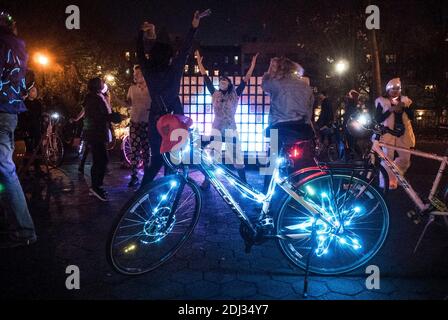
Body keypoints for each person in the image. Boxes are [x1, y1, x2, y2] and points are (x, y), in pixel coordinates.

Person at [137, 10, 210, 187]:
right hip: (174, 117)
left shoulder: (148, 70)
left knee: (156, 160)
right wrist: (194, 25)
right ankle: (168, 194)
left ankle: (141, 196)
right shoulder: (174, 68)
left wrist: (141, 33)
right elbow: (185, 48)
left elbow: (139, 52)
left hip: (155, 118)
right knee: (173, 157)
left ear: (152, 56)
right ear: (170, 56)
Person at [195, 50, 259, 189]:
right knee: (212, 155)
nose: (222, 81)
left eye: (225, 80)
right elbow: (205, 77)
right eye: (221, 80)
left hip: (230, 127)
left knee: (237, 156)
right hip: (217, 127)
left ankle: (244, 182)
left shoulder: (235, 95)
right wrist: (199, 63)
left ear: (229, 84)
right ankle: (207, 181)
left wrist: (252, 65)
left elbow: (246, 79)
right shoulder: (215, 93)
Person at [0, 11, 37, 248]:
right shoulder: (19, 48)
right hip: (8, 112)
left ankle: (24, 231)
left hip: (1, 111)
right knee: (4, 169)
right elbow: (23, 82)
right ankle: (18, 227)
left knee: (5, 170)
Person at [261, 57, 315, 191]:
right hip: (302, 128)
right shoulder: (305, 85)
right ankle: (297, 189)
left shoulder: (276, 82)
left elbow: (264, 85)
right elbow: (309, 110)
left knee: (271, 161)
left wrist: (269, 71)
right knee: (298, 160)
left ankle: (266, 195)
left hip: (280, 127)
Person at [82, 77, 122, 201]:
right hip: (96, 133)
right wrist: (113, 117)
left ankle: (96, 186)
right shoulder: (94, 99)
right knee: (101, 159)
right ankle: (96, 187)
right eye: (102, 82)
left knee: (100, 159)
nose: (104, 84)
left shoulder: (96, 97)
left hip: (97, 133)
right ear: (97, 85)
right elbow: (99, 116)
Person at [375, 78, 415, 190]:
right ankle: (386, 182)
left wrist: (405, 108)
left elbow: (412, 117)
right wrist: (391, 109)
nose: (396, 91)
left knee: (405, 160)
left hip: (403, 135)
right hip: (388, 134)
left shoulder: (406, 101)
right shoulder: (381, 101)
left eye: (398, 88)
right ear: (388, 90)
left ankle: (397, 177)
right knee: (387, 159)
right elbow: (378, 118)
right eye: (393, 89)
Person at [126, 65, 152, 187]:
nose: (135, 76)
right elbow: (128, 104)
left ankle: (147, 176)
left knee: (147, 150)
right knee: (135, 150)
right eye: (134, 74)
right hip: (135, 122)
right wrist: (114, 98)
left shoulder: (151, 88)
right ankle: (134, 176)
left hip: (147, 123)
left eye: (137, 74)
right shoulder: (131, 88)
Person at [21, 86, 44, 174]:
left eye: (36, 91)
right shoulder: (25, 103)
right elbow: (23, 116)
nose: (35, 93)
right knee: (28, 149)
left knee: (37, 148)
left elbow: (40, 115)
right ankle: (26, 168)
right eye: (33, 91)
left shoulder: (38, 103)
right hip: (28, 129)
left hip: (36, 128)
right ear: (29, 92)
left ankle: (37, 167)